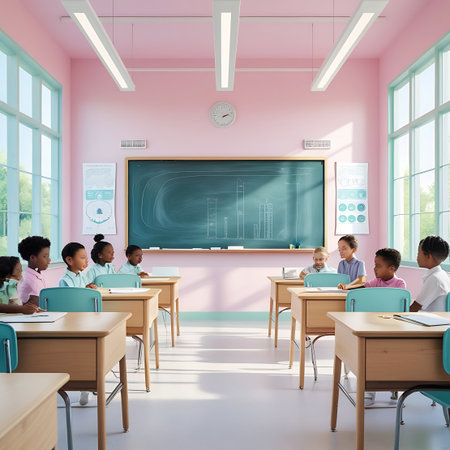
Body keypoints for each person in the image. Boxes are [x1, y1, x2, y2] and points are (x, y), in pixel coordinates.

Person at [409, 236, 450, 312]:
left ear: (428, 256)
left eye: (419, 253)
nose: (417, 257)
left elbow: (415, 307)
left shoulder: (435, 279)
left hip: (432, 321)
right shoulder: (443, 275)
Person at [338, 248, 406, 290]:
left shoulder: (399, 283)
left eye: (378, 266)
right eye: (375, 265)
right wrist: (347, 287)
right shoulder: (377, 281)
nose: (375, 269)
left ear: (391, 268)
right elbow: (363, 287)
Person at [18, 236, 51, 306]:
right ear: (32, 258)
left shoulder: (36, 275)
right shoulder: (27, 280)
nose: (49, 260)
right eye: (45, 256)